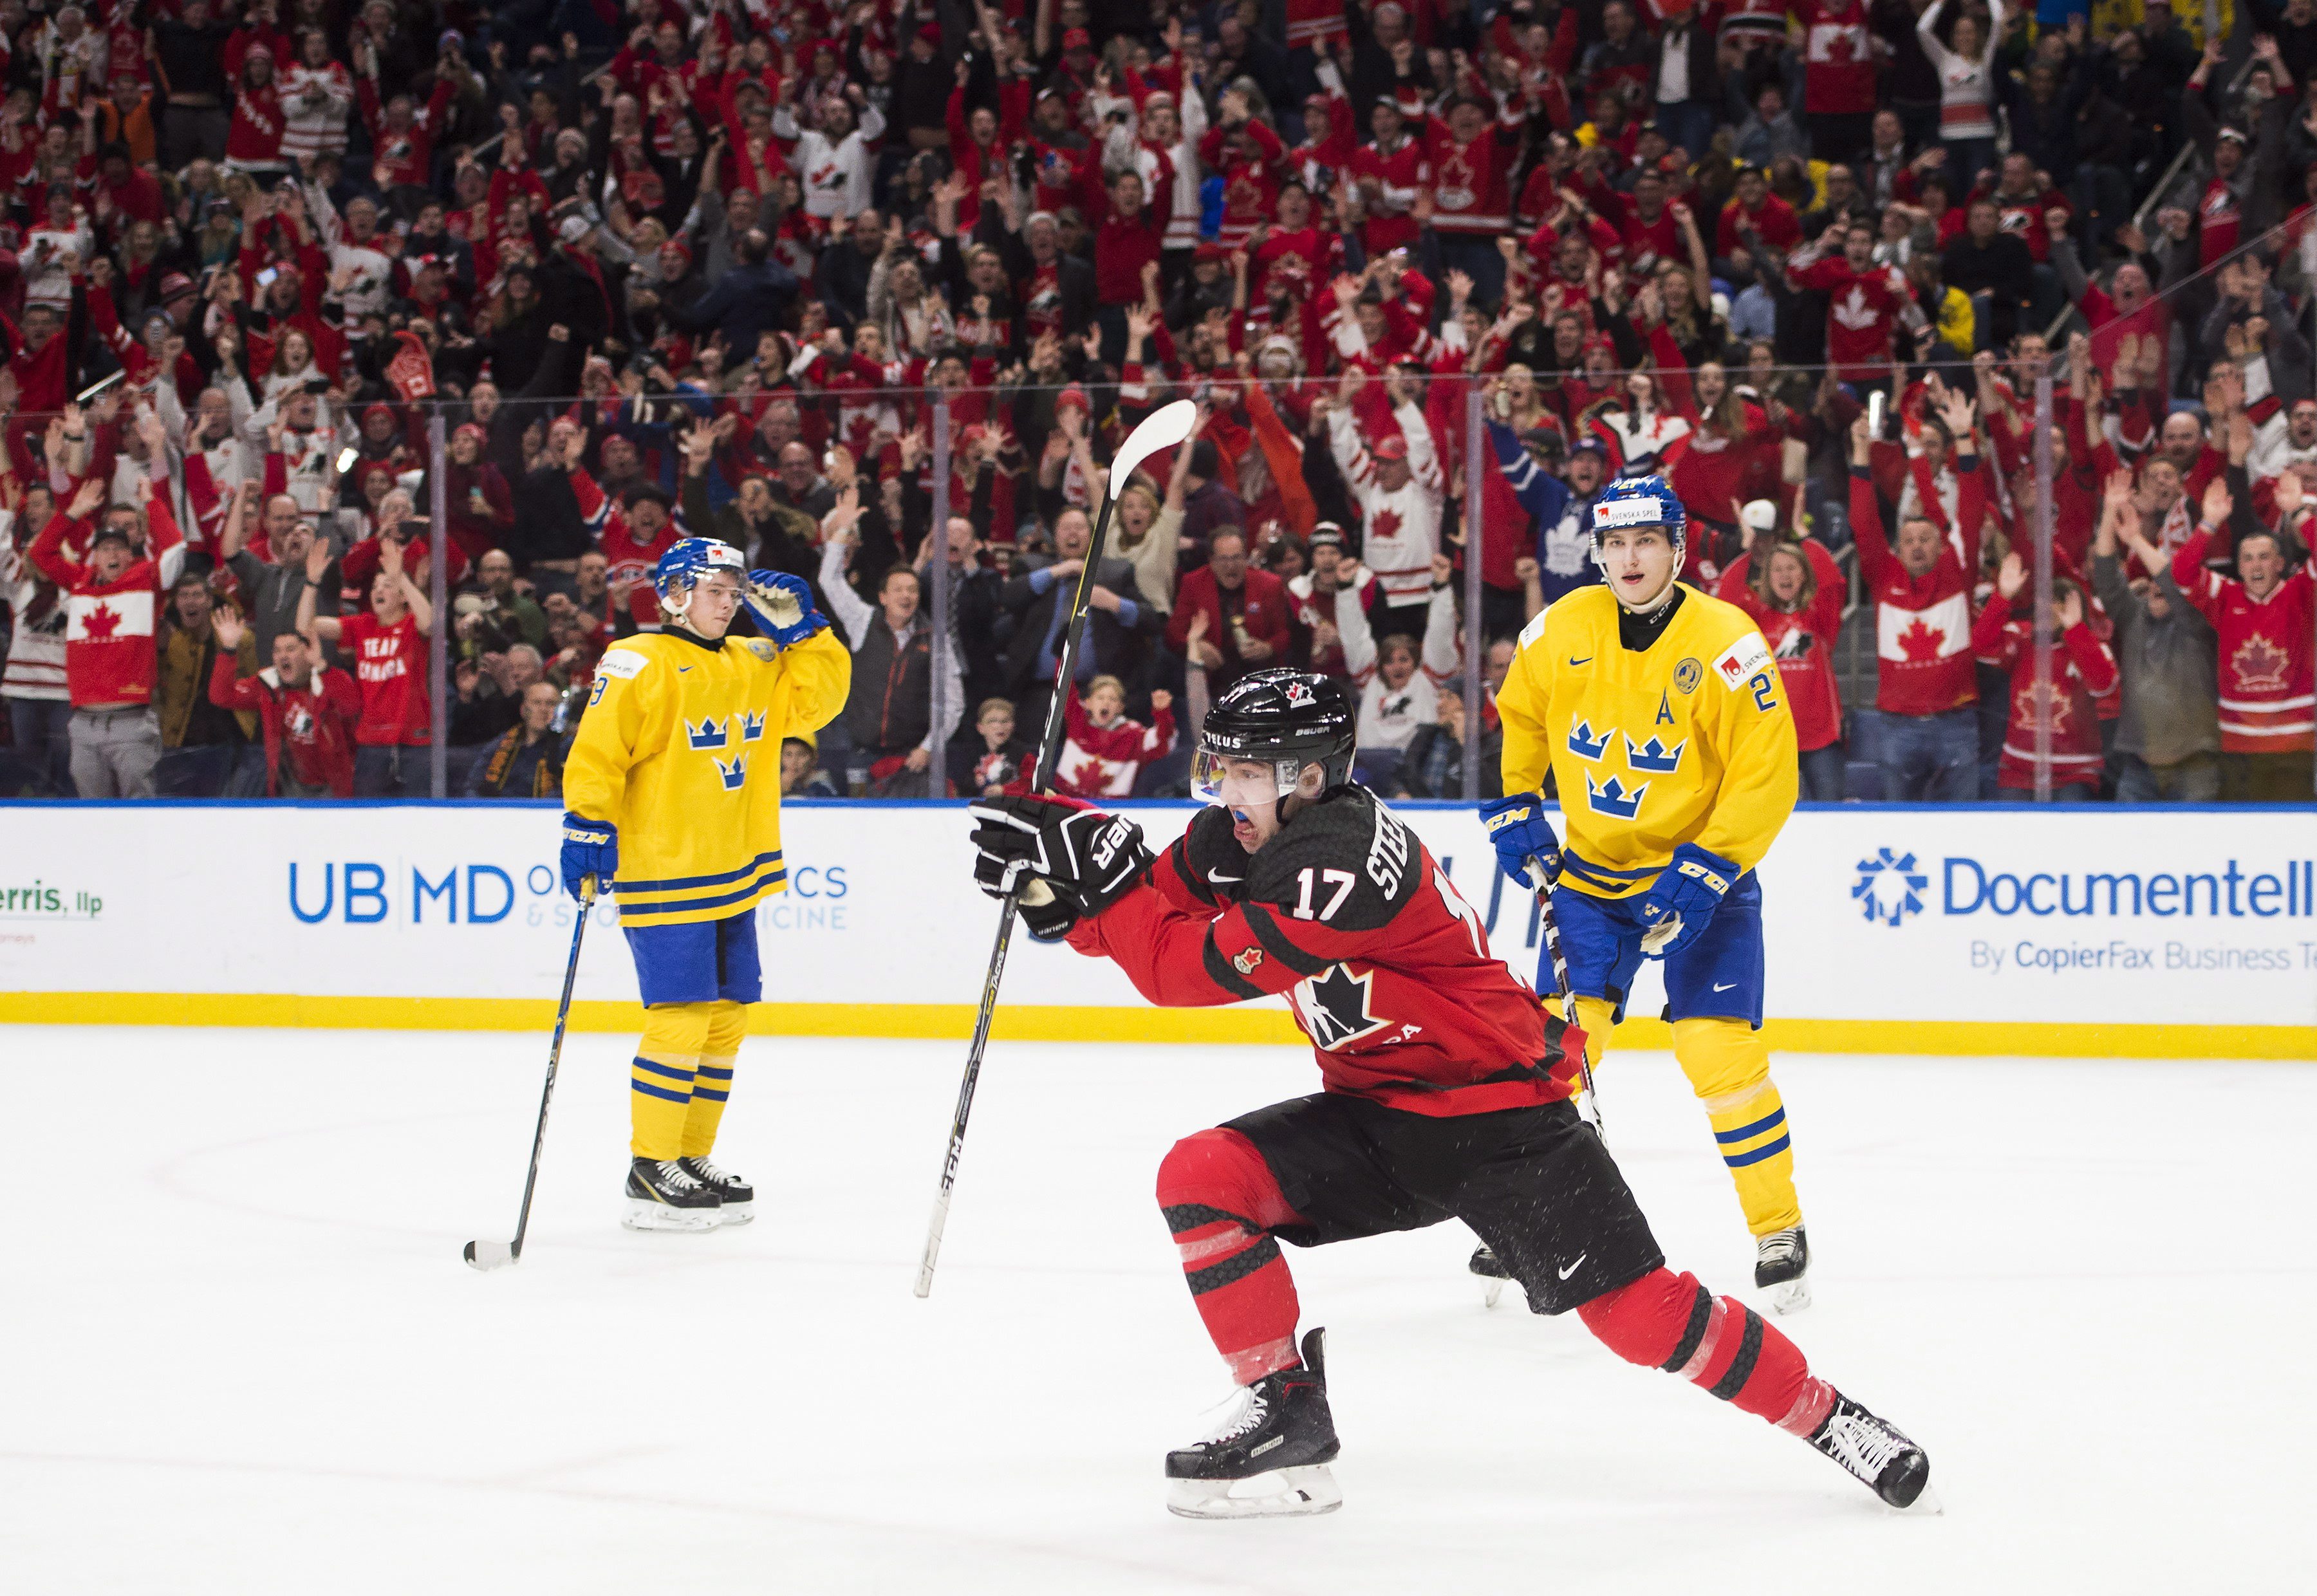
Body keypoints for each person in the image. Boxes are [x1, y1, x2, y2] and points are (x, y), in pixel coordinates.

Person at [965, 671, 1929, 1519]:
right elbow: (1157, 904)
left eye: (1243, 775)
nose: (1224, 794)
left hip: (1505, 1125)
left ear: (1306, 778)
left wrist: (1107, 883)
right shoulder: (1245, 832)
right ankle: (1286, 1418)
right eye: (1220, 773)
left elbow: (1183, 969)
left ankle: (1830, 1417)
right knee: (1202, 1176)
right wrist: (1066, 894)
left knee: (1642, 1319)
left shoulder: (1337, 864)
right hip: (1379, 1119)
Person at [1488, 475, 1814, 1313]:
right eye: (1614, 545)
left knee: (1717, 1054)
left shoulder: (1730, 643)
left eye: (1645, 542)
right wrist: (1519, 803)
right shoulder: (1559, 628)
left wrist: (1707, 868)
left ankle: (1778, 1227)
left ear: (1678, 547)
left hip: (1706, 881)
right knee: (1561, 1050)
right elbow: (1519, 716)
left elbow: (1767, 774)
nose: (1628, 559)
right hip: (1591, 885)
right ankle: (1527, 1222)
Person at [561, 539, 850, 1230]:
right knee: (682, 1016)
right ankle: (649, 1164)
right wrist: (586, 824)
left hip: (734, 866)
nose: (729, 601)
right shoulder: (639, 661)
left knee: (725, 1020)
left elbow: (821, 703)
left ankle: (688, 1158)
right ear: (673, 595)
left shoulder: (756, 660)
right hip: (667, 869)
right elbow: (598, 750)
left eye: (734, 590)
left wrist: (809, 632)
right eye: (713, 589)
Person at [295, 534, 433, 797]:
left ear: (405, 597)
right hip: (372, 743)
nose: (378, 591)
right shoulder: (361, 625)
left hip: (414, 741)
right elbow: (305, 626)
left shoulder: (412, 625)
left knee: (418, 821)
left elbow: (429, 623)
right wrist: (311, 582)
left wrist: (401, 576)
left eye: (388, 585)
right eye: (375, 587)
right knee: (368, 822)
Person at [206, 610, 360, 797]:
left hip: (335, 788)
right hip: (289, 788)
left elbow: (350, 706)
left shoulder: (332, 678)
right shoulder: (268, 685)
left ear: (308, 652)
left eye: (290, 649)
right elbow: (221, 697)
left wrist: (321, 666)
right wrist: (229, 649)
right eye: (277, 650)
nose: (282, 656)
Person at [465, 682, 568, 797]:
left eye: (550, 704)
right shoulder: (503, 744)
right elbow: (474, 785)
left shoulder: (568, 747)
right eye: (537, 703)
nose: (543, 709)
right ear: (523, 710)